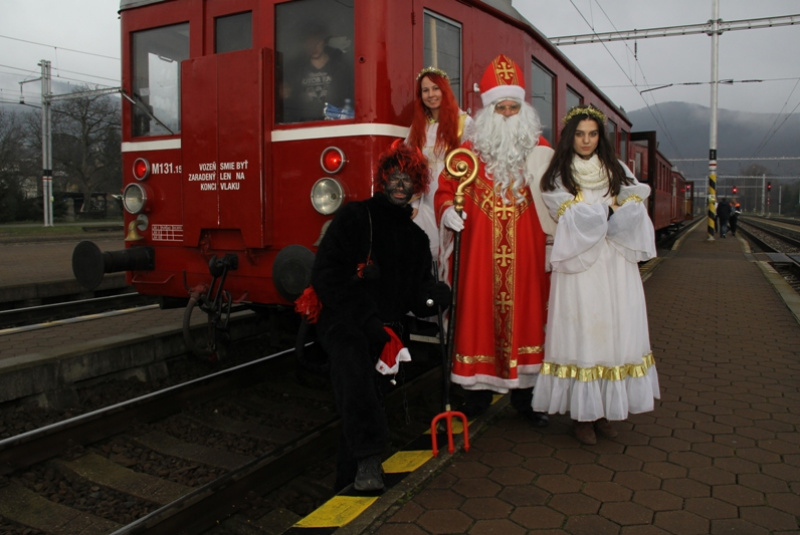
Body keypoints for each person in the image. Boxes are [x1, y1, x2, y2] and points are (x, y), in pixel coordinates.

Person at [310, 141, 451, 492]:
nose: (401, 184)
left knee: (367, 392)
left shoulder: (418, 240)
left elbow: (417, 300)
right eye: (395, 176)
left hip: (386, 328)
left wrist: (437, 297)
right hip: (345, 319)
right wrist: (367, 320)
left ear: (417, 186)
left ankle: (348, 476)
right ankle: (370, 459)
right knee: (354, 370)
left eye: (409, 178)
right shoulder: (356, 216)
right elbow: (326, 275)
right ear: (384, 179)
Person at [434, 54, 555, 425]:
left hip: (528, 258)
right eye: (499, 107)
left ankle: (527, 396)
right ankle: (476, 394)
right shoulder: (467, 153)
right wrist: (446, 212)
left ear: (522, 109)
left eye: (512, 107)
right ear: (487, 110)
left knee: (529, 321)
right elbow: (444, 190)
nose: (505, 114)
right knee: (478, 318)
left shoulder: (541, 152)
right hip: (479, 258)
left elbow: (556, 195)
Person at [532, 105, 660, 445]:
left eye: (592, 134)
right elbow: (566, 213)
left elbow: (635, 201)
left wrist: (615, 212)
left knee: (613, 329)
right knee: (584, 329)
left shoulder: (615, 167)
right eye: (580, 134)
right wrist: (608, 211)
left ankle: (604, 411)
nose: (586, 140)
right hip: (579, 263)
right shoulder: (558, 172)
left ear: (599, 137)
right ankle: (582, 417)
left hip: (614, 261)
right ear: (569, 136)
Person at [406, 66, 472, 259]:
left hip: (454, 200)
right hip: (425, 203)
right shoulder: (416, 129)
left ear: (445, 90)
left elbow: (474, 166)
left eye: (435, 88)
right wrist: (414, 203)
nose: (431, 94)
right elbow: (409, 169)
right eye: (425, 90)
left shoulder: (465, 124)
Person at [282, 23, 353, 122]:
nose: (314, 47)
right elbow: (287, 99)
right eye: (309, 43)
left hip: (335, 124)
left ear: (324, 42)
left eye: (317, 42)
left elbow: (350, 97)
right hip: (303, 125)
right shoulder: (295, 69)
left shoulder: (340, 67)